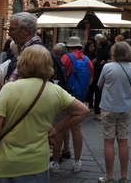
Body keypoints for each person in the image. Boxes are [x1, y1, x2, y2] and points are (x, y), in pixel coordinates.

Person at [0, 45, 89, 182]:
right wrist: (56, 130)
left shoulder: (10, 88)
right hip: (37, 164)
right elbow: (83, 111)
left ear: (22, 62)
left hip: (5, 165)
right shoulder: (55, 90)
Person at [97, 41, 131, 183]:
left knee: (108, 142)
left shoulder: (107, 67)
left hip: (108, 108)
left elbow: (99, 85)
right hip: (125, 109)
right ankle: (124, 176)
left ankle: (109, 176)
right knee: (123, 141)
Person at [55, 37, 93, 175]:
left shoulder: (66, 58)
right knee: (76, 129)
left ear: (69, 47)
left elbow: (59, 76)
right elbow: (90, 81)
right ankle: (77, 162)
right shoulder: (87, 60)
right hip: (80, 97)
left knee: (59, 126)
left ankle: (55, 162)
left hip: (66, 96)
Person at [94, 36, 111, 121]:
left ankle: (97, 111)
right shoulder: (107, 51)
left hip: (97, 73)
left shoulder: (97, 50)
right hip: (104, 73)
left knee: (98, 92)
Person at [83, 40, 97, 109]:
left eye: (93, 46)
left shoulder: (95, 54)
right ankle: (87, 102)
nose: (93, 48)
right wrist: (91, 63)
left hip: (94, 74)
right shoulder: (85, 56)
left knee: (92, 89)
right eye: (91, 46)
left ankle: (90, 103)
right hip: (87, 74)